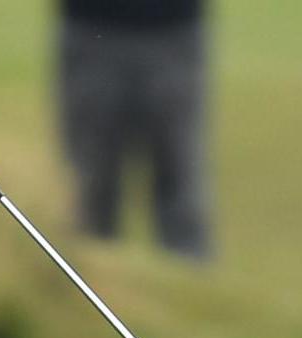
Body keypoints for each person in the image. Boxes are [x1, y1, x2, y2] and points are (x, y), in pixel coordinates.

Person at [56, 0, 213, 261]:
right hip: (90, 29)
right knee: (87, 195)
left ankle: (191, 296)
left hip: (174, 28)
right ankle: (85, 294)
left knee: (181, 191)